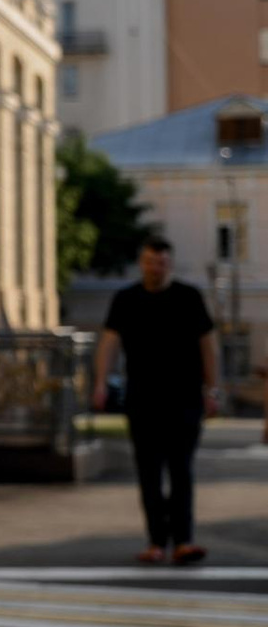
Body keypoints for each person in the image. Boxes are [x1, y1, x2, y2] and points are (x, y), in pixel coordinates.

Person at [92, 233, 219, 564]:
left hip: (185, 399)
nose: (155, 268)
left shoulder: (189, 297)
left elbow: (208, 345)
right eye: (150, 261)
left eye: (161, 262)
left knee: (181, 471)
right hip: (142, 399)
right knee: (149, 473)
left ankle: (184, 541)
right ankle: (156, 542)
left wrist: (213, 389)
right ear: (142, 263)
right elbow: (109, 342)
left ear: (170, 264)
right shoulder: (126, 299)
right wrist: (101, 382)